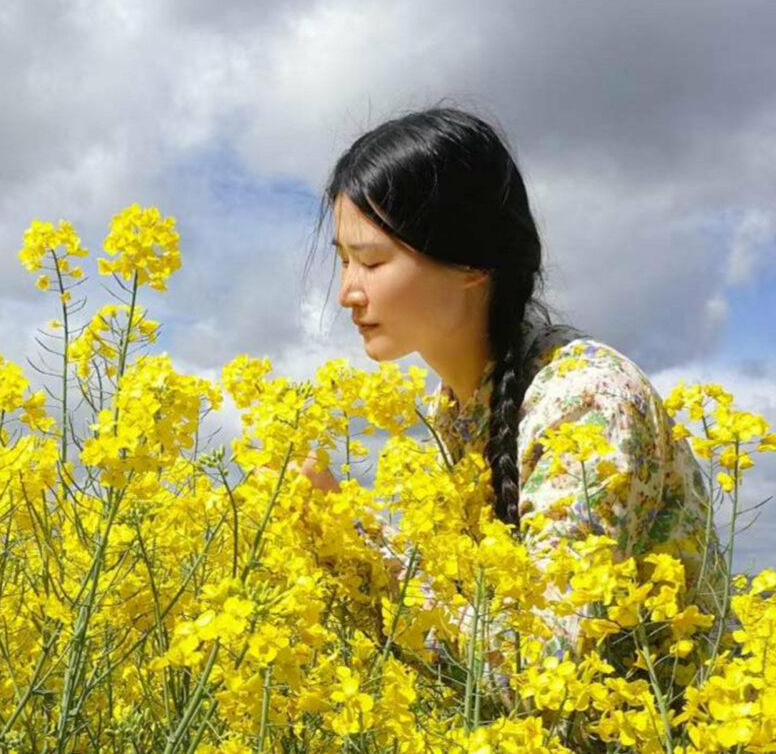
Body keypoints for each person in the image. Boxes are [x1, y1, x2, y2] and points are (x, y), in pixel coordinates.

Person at [298, 104, 726, 664]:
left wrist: (352, 536)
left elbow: (541, 663)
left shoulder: (585, 401)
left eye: (372, 263)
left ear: (471, 263)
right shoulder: (460, 403)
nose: (347, 293)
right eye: (344, 262)